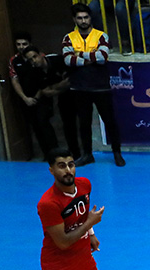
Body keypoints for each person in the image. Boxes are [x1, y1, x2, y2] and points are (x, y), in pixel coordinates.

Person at [37, 148, 112, 270]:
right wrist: (89, 224)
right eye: (61, 166)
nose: (68, 170)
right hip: (58, 265)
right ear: (52, 170)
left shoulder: (84, 185)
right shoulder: (48, 203)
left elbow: (83, 213)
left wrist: (91, 233)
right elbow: (62, 242)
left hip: (83, 259)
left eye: (71, 165)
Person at [62, 3, 124, 167]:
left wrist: (79, 55)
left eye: (86, 17)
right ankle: (87, 154)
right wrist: (90, 58)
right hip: (79, 87)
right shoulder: (68, 38)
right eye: (80, 18)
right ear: (74, 19)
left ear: (90, 18)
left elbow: (102, 57)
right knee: (84, 123)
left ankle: (117, 153)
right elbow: (68, 60)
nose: (83, 21)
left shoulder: (101, 36)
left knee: (110, 121)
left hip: (100, 87)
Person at [14, 46, 72, 159]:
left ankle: (77, 152)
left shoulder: (57, 60)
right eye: (30, 60)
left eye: (35, 57)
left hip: (72, 92)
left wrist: (54, 87)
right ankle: (53, 153)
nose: (34, 61)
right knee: (43, 121)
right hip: (56, 95)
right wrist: (59, 86)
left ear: (41, 54)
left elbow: (69, 81)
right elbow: (46, 92)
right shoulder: (34, 71)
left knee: (71, 120)